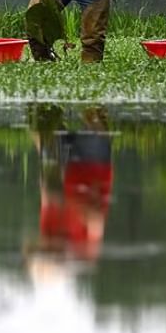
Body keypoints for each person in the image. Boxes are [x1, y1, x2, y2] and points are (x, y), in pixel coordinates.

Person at [25, 103, 114, 272]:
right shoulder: (85, 247)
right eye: (45, 249)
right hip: (92, 166)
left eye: (41, 247)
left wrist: (42, 145)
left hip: (64, 165)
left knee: (41, 119)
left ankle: (46, 108)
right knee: (92, 112)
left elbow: (47, 190)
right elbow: (96, 217)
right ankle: (95, 110)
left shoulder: (47, 231)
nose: (43, 243)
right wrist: (68, 202)